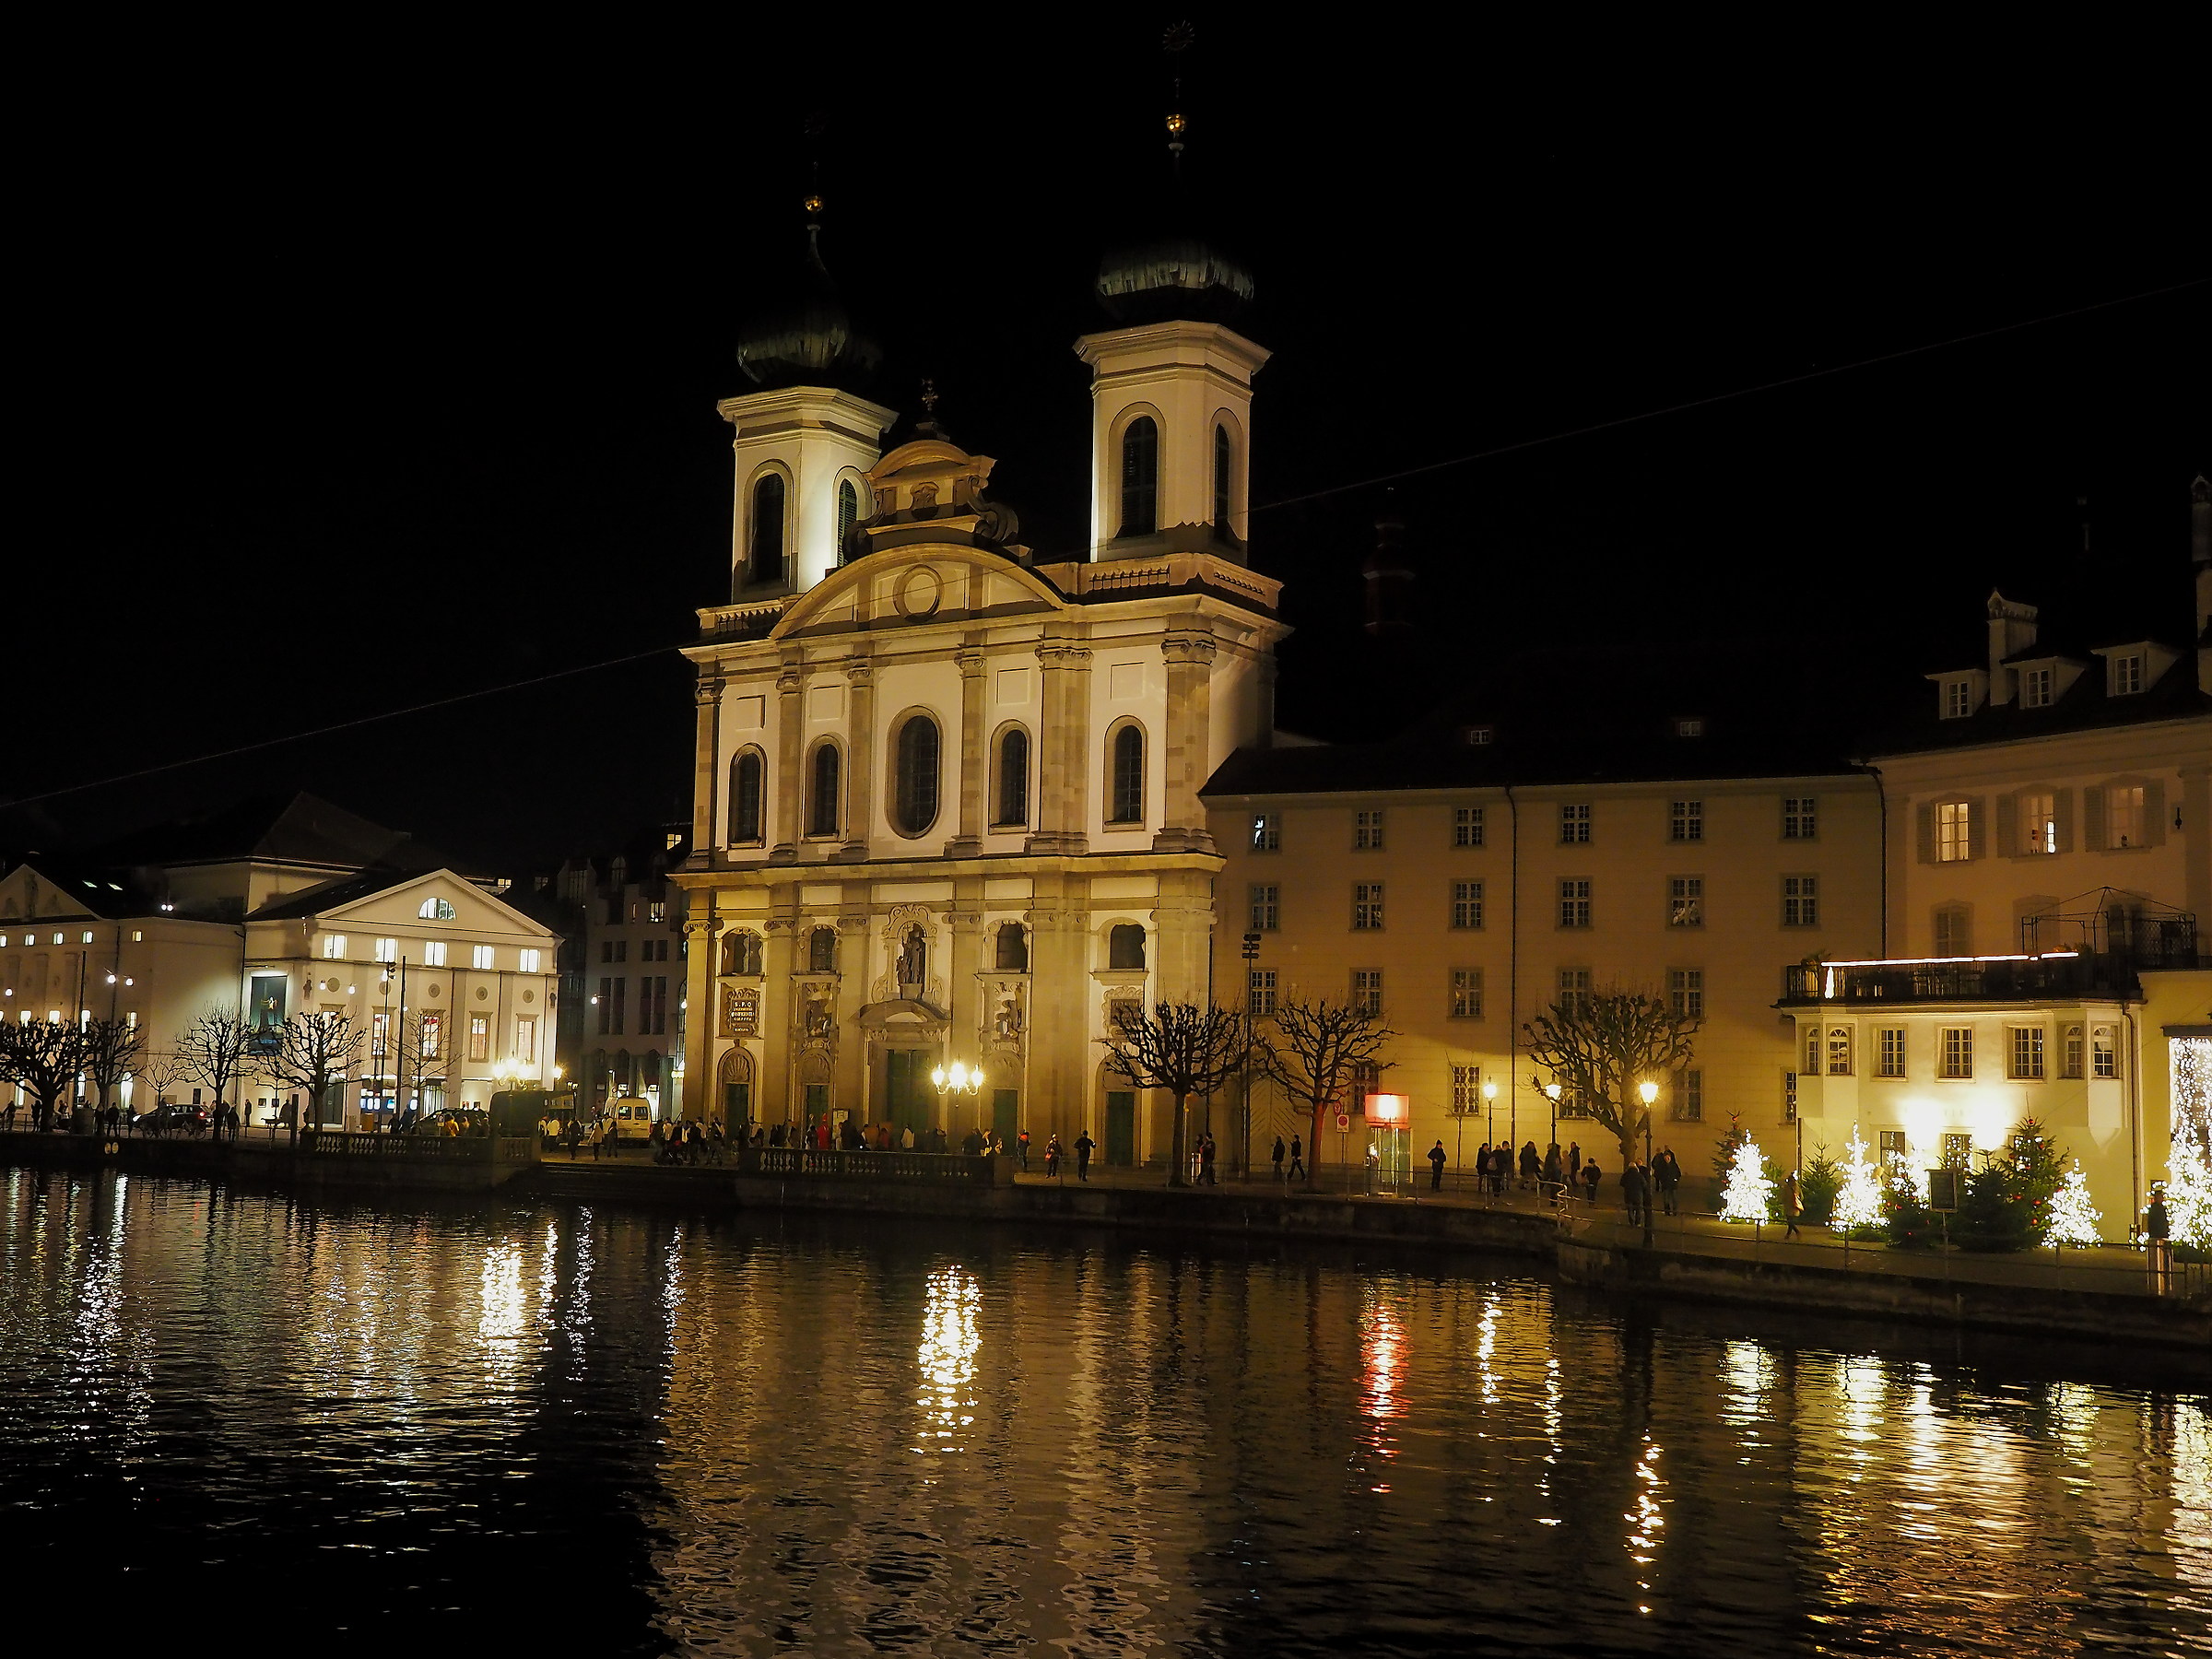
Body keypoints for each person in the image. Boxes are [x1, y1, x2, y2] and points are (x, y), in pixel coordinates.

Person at [2146, 1186, 2172, 1291]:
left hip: (2161, 1234)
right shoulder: (2155, 1209)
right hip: (2157, 1234)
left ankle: (2163, 1278)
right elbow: (2152, 1222)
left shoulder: (2161, 1208)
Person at [1621, 1160, 1648, 1227]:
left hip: (1628, 1194)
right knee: (1638, 1209)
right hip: (1638, 1194)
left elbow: (1621, 1183)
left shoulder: (1625, 1175)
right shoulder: (1639, 1175)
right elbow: (1644, 1184)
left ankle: (1631, 1222)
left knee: (1630, 1209)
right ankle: (1637, 1222)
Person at [1782, 1171, 1804, 1241]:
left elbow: (1783, 1197)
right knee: (1790, 1221)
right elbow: (1802, 1197)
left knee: (1790, 1221)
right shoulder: (1797, 1187)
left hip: (1789, 1206)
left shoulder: (1786, 1187)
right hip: (1795, 1206)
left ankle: (1796, 1233)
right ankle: (1788, 1235)